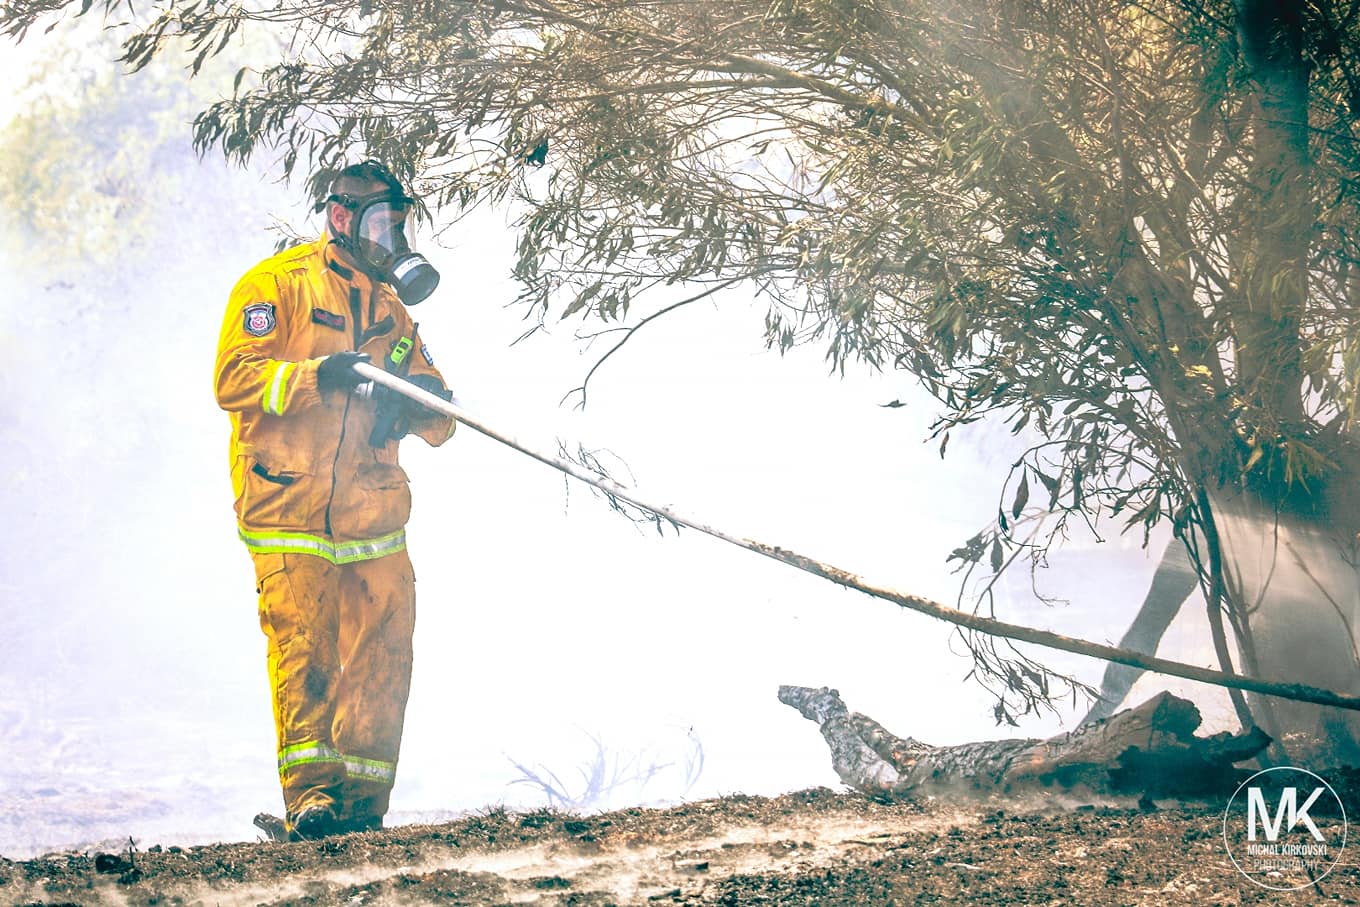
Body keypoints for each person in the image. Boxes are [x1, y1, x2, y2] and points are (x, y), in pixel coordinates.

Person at [214, 160, 455, 840]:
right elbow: (234, 378)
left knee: (385, 657)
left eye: (399, 225)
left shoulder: (390, 311)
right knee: (306, 654)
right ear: (342, 218)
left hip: (373, 518)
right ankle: (312, 801)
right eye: (381, 223)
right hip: (288, 512)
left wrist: (410, 406)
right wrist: (320, 375)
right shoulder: (276, 287)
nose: (391, 237)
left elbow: (440, 419)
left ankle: (362, 809)